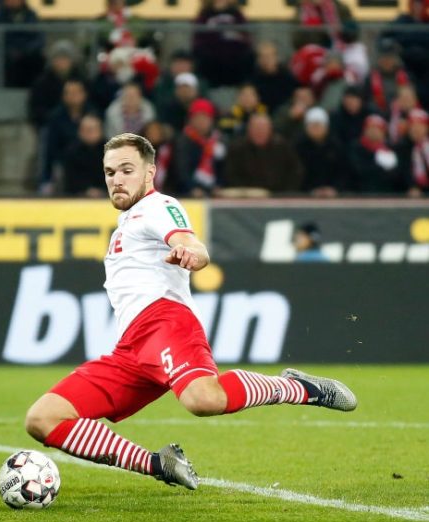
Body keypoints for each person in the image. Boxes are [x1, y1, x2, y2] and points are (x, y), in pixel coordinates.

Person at [23, 132, 357, 491]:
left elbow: (188, 240)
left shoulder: (157, 206)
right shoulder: (128, 221)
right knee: (43, 418)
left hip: (166, 322)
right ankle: (158, 463)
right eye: (109, 172)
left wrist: (193, 253)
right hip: (132, 348)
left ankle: (298, 388)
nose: (116, 179)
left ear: (150, 172)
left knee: (203, 398)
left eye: (126, 170)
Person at [223, 113, 303, 194]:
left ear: (270, 129)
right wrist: (246, 192)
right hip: (247, 198)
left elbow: (296, 171)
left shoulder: (282, 146)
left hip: (279, 196)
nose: (260, 132)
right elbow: (231, 174)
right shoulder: (237, 149)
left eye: (263, 128)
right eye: (256, 128)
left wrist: (286, 192)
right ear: (249, 130)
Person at [191, 0, 254, 88]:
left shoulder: (236, 14)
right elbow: (198, 37)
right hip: (212, 59)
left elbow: (245, 35)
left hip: (235, 59)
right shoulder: (205, 14)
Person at [171, 98, 224, 197]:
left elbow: (223, 168)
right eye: (197, 117)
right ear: (191, 120)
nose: (201, 121)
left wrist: (219, 185)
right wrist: (192, 188)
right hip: (186, 193)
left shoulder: (219, 140)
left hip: (214, 192)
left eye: (205, 117)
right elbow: (181, 170)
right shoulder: (183, 141)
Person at [294, 106, 346, 196]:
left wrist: (335, 189)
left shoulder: (336, 146)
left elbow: (343, 172)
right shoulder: (298, 147)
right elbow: (296, 173)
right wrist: (310, 190)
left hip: (333, 193)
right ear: (306, 127)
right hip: (305, 194)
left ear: (326, 127)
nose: (316, 129)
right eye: (313, 125)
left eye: (319, 125)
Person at [349, 114, 402, 193]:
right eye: (370, 128)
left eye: (378, 129)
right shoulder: (356, 147)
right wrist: (383, 170)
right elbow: (358, 170)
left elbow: (397, 174)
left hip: (387, 193)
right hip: (360, 193)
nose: (374, 131)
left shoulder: (391, 149)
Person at [62, 113, 107, 197]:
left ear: (100, 130)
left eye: (91, 130)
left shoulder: (111, 151)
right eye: (84, 130)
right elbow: (70, 179)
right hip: (78, 197)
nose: (88, 133)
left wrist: (101, 190)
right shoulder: (71, 151)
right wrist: (87, 190)